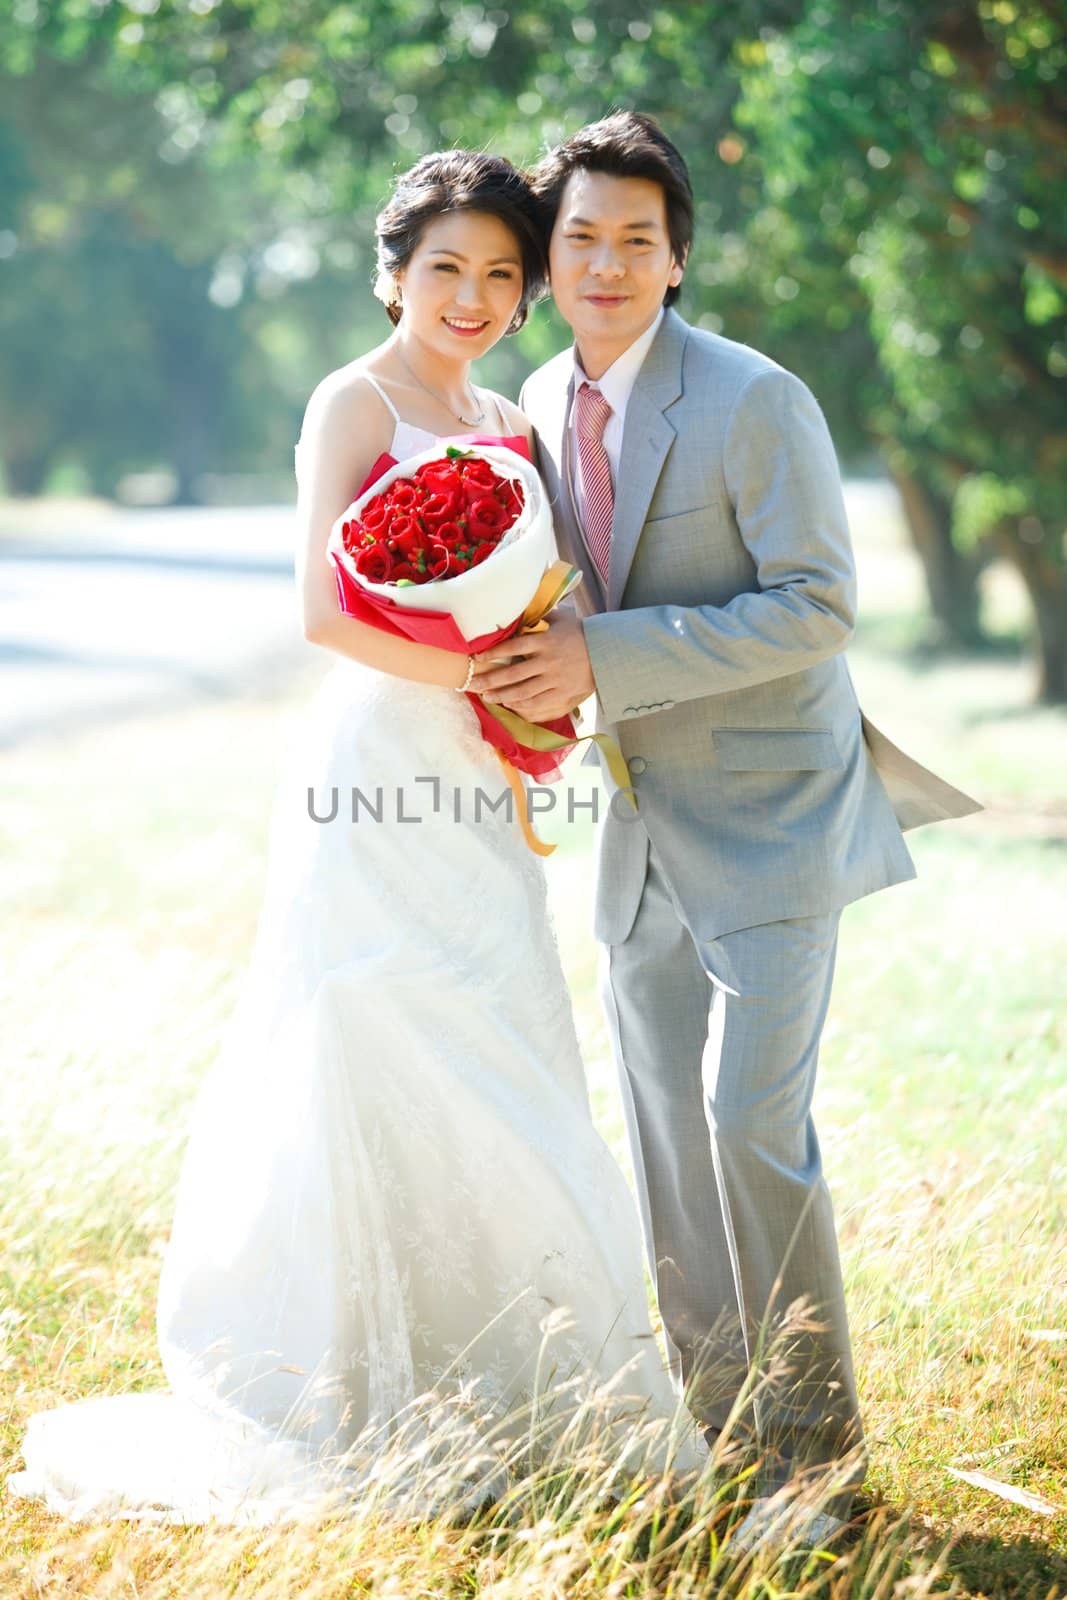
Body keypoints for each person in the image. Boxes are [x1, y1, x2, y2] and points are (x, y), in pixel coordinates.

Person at [10, 149, 702, 1526]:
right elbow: (325, 613)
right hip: (379, 755)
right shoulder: (354, 399)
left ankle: (513, 1369)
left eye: (504, 274)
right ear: (394, 273)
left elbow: (533, 593)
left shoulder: (510, 410)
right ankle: (344, 1379)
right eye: (447, 266)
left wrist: (533, 698)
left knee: (496, 1033)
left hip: (483, 772)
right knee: (365, 1024)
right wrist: (482, 681)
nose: (475, 294)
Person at [471, 112, 980, 1550]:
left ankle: (816, 1468)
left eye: (640, 238)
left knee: (751, 1129)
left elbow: (818, 605)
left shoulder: (759, 399)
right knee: (666, 1146)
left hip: (773, 818)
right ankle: (721, 1437)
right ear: (546, 262)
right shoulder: (529, 397)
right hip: (638, 835)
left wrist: (602, 659)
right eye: (582, 237)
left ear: (679, 258)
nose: (610, 261)